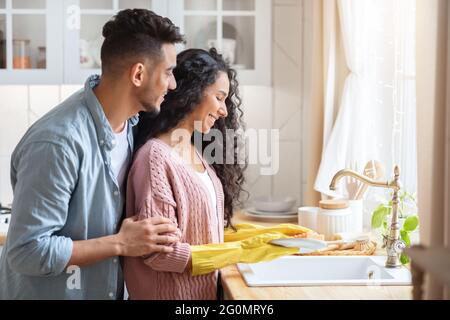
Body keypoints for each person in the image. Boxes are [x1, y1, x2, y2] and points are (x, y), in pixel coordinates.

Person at [0, 9, 184, 300]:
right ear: (138, 74)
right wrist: (121, 244)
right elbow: (27, 251)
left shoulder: (132, 127)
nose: (172, 85)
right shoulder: (58, 142)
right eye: (168, 72)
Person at [124, 48, 246, 300]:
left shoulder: (193, 149)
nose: (224, 110)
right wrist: (234, 253)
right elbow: (158, 252)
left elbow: (203, 229)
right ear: (192, 92)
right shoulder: (155, 157)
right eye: (219, 97)